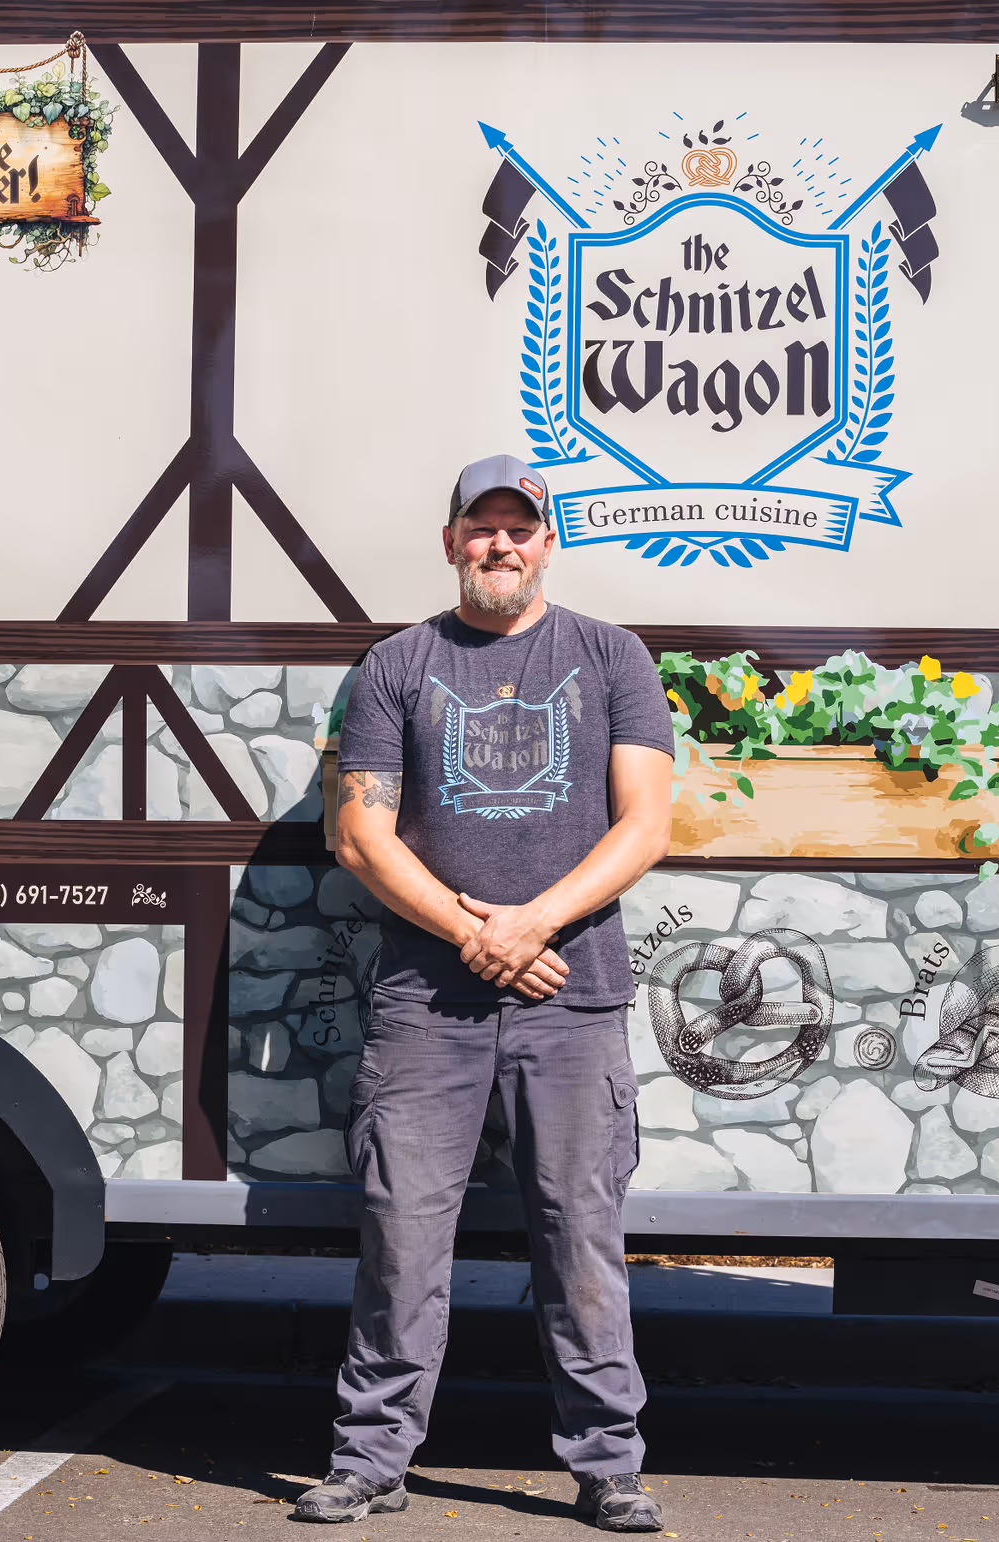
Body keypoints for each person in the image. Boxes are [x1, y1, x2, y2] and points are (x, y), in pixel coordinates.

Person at [294, 454, 675, 1530]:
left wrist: (533, 925)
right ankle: (370, 1462)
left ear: (547, 541)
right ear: (450, 540)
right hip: (427, 1006)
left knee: (580, 1234)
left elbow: (644, 824)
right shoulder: (396, 666)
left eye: (520, 528)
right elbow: (362, 838)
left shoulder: (608, 657)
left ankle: (608, 1468)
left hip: (575, 998)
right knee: (402, 1236)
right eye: (481, 528)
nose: (500, 545)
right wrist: (478, 935)